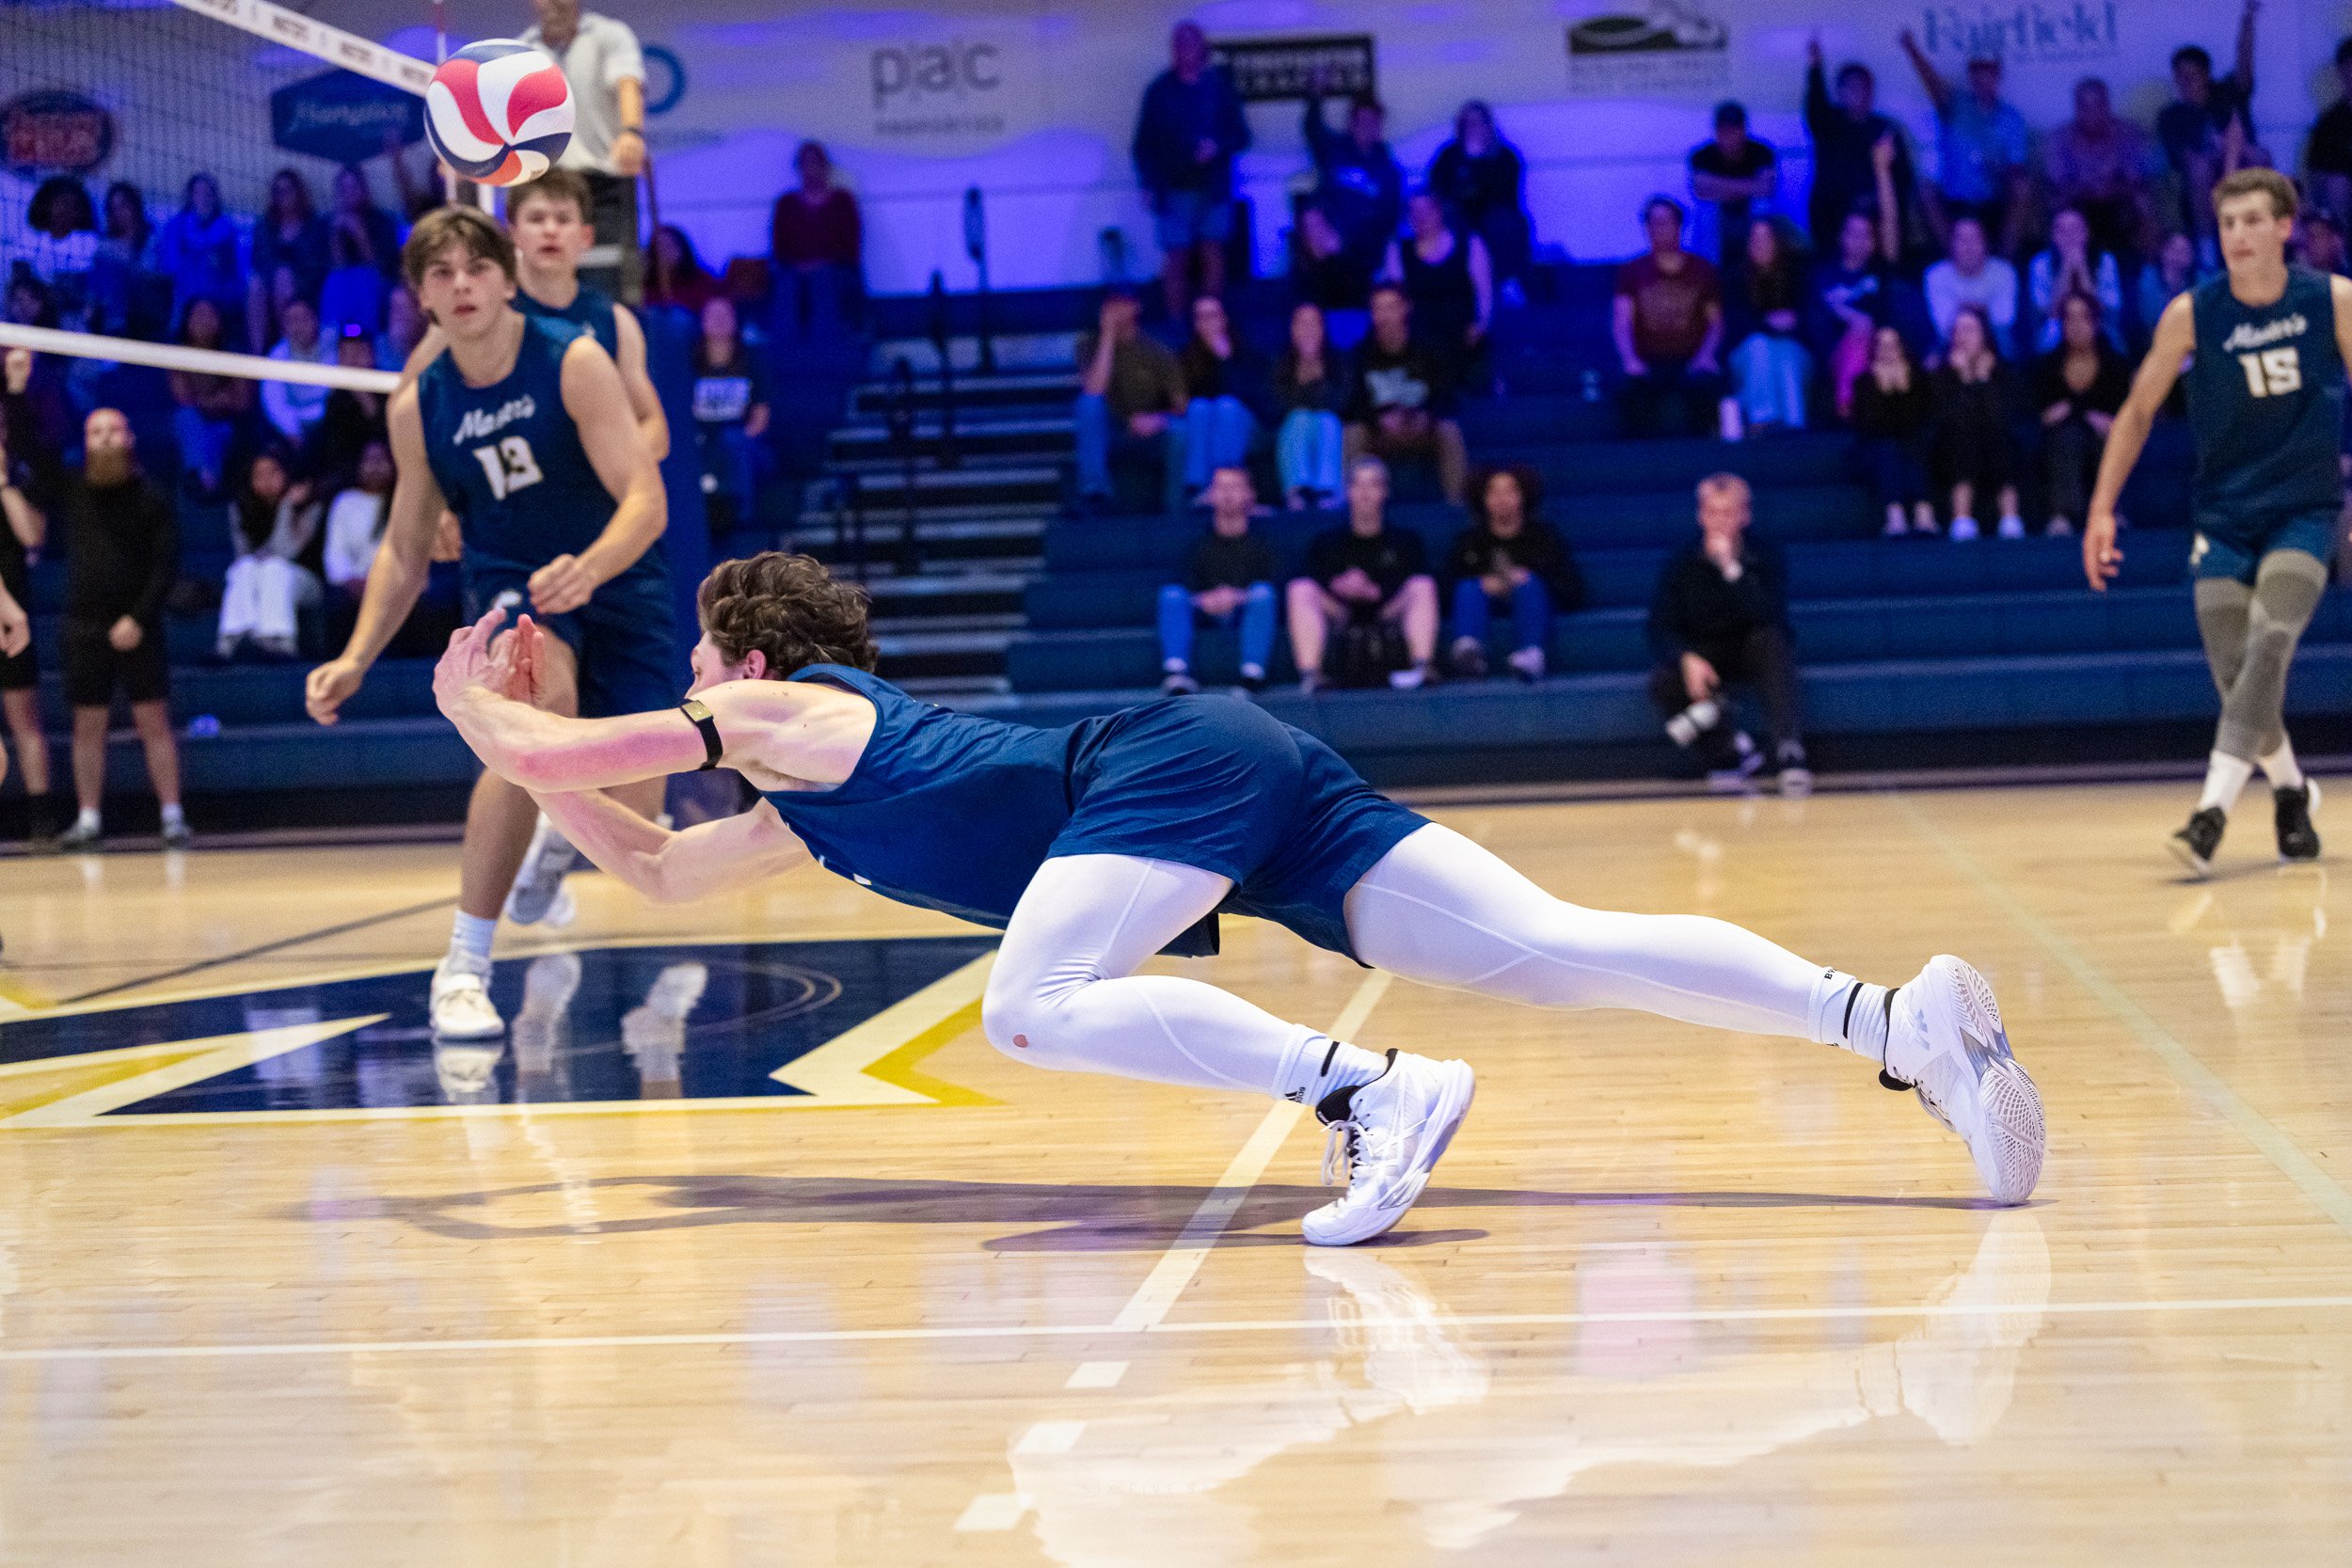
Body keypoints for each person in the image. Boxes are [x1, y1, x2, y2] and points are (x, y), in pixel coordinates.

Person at [431, 547, 2047, 1245]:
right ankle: (1896, 1021)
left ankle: (1368, 1090)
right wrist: (524, 753)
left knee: (1028, 1008)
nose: (697, 679)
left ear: (750, 659)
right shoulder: (815, 797)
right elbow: (652, 864)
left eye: (704, 659)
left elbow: (562, 741)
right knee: (1553, 949)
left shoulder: (794, 711)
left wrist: (480, 709)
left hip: (1165, 774)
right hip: (1226, 782)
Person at [305, 205, 669, 1037]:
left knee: (638, 803)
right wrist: (357, 656)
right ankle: (464, 965)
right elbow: (404, 549)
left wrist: (591, 567)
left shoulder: (574, 359)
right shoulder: (419, 406)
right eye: (441, 274)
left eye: (477, 268)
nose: (462, 285)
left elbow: (647, 500)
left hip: (617, 576)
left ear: (507, 280)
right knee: (532, 711)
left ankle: (558, 831)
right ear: (422, 298)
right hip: (512, 580)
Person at [2084, 167, 2342, 875]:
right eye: (2227, 223)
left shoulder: (2333, 301)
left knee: (2271, 640)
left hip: (2304, 512)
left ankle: (2209, 816)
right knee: (2236, 671)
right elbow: (2137, 411)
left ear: (2285, 226)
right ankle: (2291, 792)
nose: (2238, 235)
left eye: (2252, 220)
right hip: (2224, 518)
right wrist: (2101, 509)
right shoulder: (2192, 313)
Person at [408, 171, 668, 468]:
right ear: (513, 233)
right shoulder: (479, 307)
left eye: (563, 219)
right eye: (536, 219)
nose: (550, 230)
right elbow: (410, 403)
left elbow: (655, 428)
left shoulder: (614, 320)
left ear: (586, 236)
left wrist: (594, 469)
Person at [28, 404, 188, 850]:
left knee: (153, 720)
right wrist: (19, 393)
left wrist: (138, 618)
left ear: (129, 437)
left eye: (112, 430)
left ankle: (173, 817)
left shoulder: (151, 496)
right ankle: (88, 819)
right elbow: (37, 458)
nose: (103, 438)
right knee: (87, 724)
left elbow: (166, 564)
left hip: (139, 626)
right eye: (95, 432)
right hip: (84, 627)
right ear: (84, 441)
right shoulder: (74, 488)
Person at [1647, 473, 1808, 793]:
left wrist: (1731, 570)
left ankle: (1789, 749)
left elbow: (1769, 614)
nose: (1719, 521)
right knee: (1664, 681)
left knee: (1772, 641)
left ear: (1745, 516)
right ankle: (1730, 752)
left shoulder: (1765, 555)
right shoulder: (1682, 562)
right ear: (1700, 516)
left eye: (1728, 513)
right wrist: (1686, 657)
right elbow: (1659, 626)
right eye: (1712, 512)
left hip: (1751, 648)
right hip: (1705, 654)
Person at [520, 0, 648, 297]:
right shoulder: (521, 51)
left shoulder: (609, 34)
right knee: (542, 286)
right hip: (543, 185)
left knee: (608, 288)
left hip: (602, 186)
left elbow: (628, 83)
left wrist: (631, 133)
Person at [1132, 20, 1251, 322]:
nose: (1182, 50)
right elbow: (1143, 144)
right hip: (1173, 187)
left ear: (1201, 48)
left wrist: (1217, 146)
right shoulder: (1159, 91)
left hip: (1214, 187)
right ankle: (1176, 324)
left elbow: (1242, 135)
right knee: (1176, 256)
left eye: (1188, 44)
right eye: (1177, 45)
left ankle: (1212, 323)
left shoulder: (1220, 88)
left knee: (1213, 253)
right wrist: (1147, 183)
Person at [1286, 455, 1438, 690]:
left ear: (1385, 492)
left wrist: (1374, 590)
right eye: (1358, 485)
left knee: (1422, 585)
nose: (1365, 493)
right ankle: (1311, 675)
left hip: (1388, 610)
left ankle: (1422, 666)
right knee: (1300, 589)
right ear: (1348, 492)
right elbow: (1316, 576)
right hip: (1340, 612)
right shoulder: (1327, 542)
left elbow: (1411, 576)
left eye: (1373, 485)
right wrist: (1338, 585)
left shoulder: (1406, 541)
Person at [1443, 465, 1581, 681]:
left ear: (1523, 496)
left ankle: (1530, 654)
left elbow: (1572, 590)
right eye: (1494, 492)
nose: (1502, 499)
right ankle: (1469, 652)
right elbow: (1444, 590)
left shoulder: (1544, 538)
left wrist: (1525, 579)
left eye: (1510, 491)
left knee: (1530, 584)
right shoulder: (1468, 541)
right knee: (1468, 587)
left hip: (1533, 600)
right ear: (1483, 498)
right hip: (1483, 601)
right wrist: (1485, 583)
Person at [1898, 32, 2030, 254]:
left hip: (1993, 201)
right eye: (1977, 72)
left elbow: (2017, 168)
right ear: (1970, 76)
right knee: (1926, 190)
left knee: (2022, 189)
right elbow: (1932, 84)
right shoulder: (1956, 105)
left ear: (1997, 75)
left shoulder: (2012, 119)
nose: (1983, 78)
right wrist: (1912, 49)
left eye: (1988, 72)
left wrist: (1999, 170)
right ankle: (1954, 261)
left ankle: (2005, 264)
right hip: (1955, 201)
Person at [1159, 464, 1279, 694]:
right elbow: (1184, 583)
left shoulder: (1265, 545)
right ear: (1210, 495)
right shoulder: (1196, 545)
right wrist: (1206, 599)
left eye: (1235, 487)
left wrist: (1236, 597)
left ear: (1250, 494)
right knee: (1171, 596)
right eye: (1221, 487)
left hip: (1245, 611)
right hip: (1205, 612)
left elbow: (1275, 583)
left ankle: (1252, 673)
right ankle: (1177, 673)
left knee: (1263, 595)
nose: (1227, 494)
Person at [2157, 2, 2264, 261]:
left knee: (2259, 155)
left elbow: (2244, 65)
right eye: (2180, 76)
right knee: (2199, 167)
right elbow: (2184, 160)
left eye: (2192, 75)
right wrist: (2221, 151)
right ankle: (2207, 251)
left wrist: (2248, 20)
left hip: (2241, 169)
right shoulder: (2171, 116)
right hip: (2203, 189)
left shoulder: (2228, 94)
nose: (2185, 82)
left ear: (2206, 74)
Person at [1345, 285, 1470, 505]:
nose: (1385, 315)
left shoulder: (1429, 350)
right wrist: (1377, 420)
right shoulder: (1361, 355)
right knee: (1353, 433)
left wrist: (1426, 417)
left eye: (1391, 307)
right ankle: (1357, 506)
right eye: (1378, 309)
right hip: (1380, 432)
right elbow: (1353, 402)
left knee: (1449, 430)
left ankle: (1457, 505)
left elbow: (1447, 396)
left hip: (1423, 428)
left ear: (1405, 309)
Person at [1613, 197, 1724, 439]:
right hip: (1648, 360)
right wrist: (1630, 359)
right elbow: (1622, 321)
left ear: (1679, 225)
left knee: (1706, 386)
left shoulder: (1703, 270)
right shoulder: (1631, 271)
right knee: (1629, 389)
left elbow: (1715, 323)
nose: (1660, 229)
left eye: (1666, 222)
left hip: (1691, 359)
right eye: (1654, 223)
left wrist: (1705, 356)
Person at [1073, 287, 1187, 514]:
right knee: (1087, 405)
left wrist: (1157, 419)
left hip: (1152, 428)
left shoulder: (1157, 349)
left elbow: (1181, 404)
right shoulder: (1088, 345)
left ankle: (1176, 508)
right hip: (1112, 428)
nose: (1114, 311)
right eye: (1109, 304)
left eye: (1121, 304)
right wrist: (1108, 336)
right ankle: (1094, 492)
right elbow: (1094, 390)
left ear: (1136, 307)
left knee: (1179, 432)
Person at [0, 355, 52, 843]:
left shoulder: (20, 474)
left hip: (8, 612)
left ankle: (41, 819)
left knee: (21, 724)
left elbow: (33, 535)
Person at [1804, 37, 1917, 258]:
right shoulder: (1827, 123)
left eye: (1864, 87)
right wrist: (1815, 65)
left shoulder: (1886, 129)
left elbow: (1904, 178)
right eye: (1852, 86)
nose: (1858, 92)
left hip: (1876, 212)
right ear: (1840, 92)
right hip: (1833, 212)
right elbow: (1814, 104)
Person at [2033, 292, 2131, 539]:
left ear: (2095, 322)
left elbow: (2128, 412)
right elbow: (2039, 412)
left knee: (2111, 439)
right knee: (2066, 438)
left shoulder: (2115, 365)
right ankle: (2062, 515)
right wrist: (2050, 416)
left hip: (2105, 436)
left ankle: (2109, 512)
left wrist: (2114, 423)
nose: (2076, 326)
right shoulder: (2047, 366)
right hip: (2061, 437)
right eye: (2070, 319)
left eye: (2083, 318)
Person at [215, 447, 323, 660]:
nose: (266, 480)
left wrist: (286, 507)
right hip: (258, 576)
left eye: (273, 473)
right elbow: (243, 555)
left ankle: (281, 642)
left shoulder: (309, 506)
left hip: (306, 581)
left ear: (286, 473)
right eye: (259, 475)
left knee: (275, 567)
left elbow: (287, 552)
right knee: (244, 567)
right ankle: (227, 644)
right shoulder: (241, 508)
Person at [1383, 190, 1492, 391]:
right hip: (1419, 334)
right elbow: (1395, 296)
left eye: (1427, 210)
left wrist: (1480, 324)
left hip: (1462, 332)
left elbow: (1484, 292)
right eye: (1414, 212)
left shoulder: (1470, 243)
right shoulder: (1398, 249)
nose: (1421, 217)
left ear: (1439, 211)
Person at [1931, 305, 2024, 539]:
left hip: (1996, 443)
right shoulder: (1941, 375)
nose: (1963, 337)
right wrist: (1963, 379)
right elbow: (1950, 421)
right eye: (1958, 331)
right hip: (1950, 449)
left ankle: (2010, 517)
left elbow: (2001, 419)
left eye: (1970, 330)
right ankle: (1961, 517)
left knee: (1999, 438)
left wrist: (1983, 381)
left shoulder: (2003, 371)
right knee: (1965, 437)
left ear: (1984, 335)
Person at [1804, 202, 1906, 417]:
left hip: (1881, 349)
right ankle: (1849, 410)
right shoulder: (1822, 277)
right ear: (1841, 236)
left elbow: (1887, 320)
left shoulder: (1882, 276)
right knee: (1856, 343)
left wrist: (1846, 312)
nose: (1859, 241)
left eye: (1865, 235)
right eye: (1853, 234)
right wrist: (1850, 319)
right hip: (1832, 353)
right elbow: (1815, 326)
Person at [2044, 77, 2157, 262]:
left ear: (2107, 106)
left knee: (2143, 201)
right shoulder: (2060, 138)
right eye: (2085, 106)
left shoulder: (2128, 133)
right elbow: (2059, 183)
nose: (2091, 112)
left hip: (2119, 204)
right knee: (2058, 204)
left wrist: (2107, 188)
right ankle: (2064, 267)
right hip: (2079, 205)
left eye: (2097, 105)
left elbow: (2136, 179)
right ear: (2077, 108)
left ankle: (2150, 269)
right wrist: (2091, 188)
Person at [1302, 77, 1406, 271]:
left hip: (1364, 255)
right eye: (1361, 120)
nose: (1367, 127)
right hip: (1325, 246)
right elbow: (1312, 128)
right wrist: (1316, 93)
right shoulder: (1334, 151)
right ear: (1351, 123)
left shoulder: (1389, 171)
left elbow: (1389, 221)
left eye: (1372, 122)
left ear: (1379, 128)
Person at [1425, 101, 1531, 291]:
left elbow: (1504, 196)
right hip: (1458, 215)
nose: (1474, 128)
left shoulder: (1506, 157)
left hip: (1494, 215)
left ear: (1488, 125)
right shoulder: (1448, 156)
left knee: (1506, 224)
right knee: (1447, 222)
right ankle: (1451, 285)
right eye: (1468, 123)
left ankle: (1508, 283)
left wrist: (1478, 164)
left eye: (1479, 122)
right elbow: (1438, 191)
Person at [688, 295, 771, 537]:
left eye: (725, 315)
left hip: (744, 444)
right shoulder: (688, 364)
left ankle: (740, 520)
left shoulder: (752, 361)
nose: (720, 321)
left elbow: (760, 419)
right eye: (713, 316)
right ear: (702, 322)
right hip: (700, 443)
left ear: (735, 321)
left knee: (732, 442)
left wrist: (738, 439)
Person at [768, 140, 864, 341]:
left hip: (835, 271)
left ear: (826, 167)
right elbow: (779, 249)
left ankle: (826, 345)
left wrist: (820, 265)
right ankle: (786, 347)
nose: (811, 170)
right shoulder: (786, 204)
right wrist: (801, 266)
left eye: (816, 164)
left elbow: (850, 249)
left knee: (822, 281)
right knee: (786, 284)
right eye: (806, 164)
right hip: (795, 271)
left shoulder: (843, 202)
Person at [1724, 216, 1810, 435]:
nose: (1760, 245)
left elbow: (1811, 319)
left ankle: (1794, 425)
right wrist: (1767, 323)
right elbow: (1735, 324)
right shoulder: (1735, 277)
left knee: (1785, 352)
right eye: (1755, 239)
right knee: (1759, 346)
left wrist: (1794, 321)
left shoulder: (1797, 275)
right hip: (1746, 356)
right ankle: (1763, 422)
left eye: (1766, 239)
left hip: (1794, 352)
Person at [1851, 325, 1937, 536]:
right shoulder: (1863, 383)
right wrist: (1883, 390)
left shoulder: (1920, 380)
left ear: (1903, 348)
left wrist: (1903, 390)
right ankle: (1895, 515)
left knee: (1913, 445)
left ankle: (1923, 511)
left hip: (1915, 445)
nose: (1888, 351)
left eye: (1893, 345)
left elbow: (1918, 424)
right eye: (1882, 345)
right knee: (1888, 448)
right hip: (1875, 450)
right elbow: (1871, 429)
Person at [1176, 294, 1266, 494]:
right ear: (1195, 324)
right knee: (1199, 407)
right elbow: (1184, 400)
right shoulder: (1185, 359)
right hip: (1205, 421)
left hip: (1246, 421)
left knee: (1226, 406)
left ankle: (1222, 484)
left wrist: (1225, 362)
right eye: (1201, 317)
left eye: (1213, 315)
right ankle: (1198, 486)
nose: (1208, 322)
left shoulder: (1245, 354)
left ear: (1224, 319)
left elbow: (1253, 397)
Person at [166, 299, 253, 501]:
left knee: (216, 432)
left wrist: (209, 402)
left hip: (229, 424)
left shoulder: (234, 354)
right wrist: (217, 399)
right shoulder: (177, 356)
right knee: (187, 419)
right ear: (187, 321)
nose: (204, 321)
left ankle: (206, 480)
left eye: (210, 315)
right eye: (198, 315)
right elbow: (185, 400)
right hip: (196, 423)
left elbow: (242, 402)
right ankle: (205, 478)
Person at [1268, 301, 1353, 508]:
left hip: (1329, 429)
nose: (1308, 330)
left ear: (1323, 329)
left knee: (1326, 420)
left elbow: (1340, 403)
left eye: (1313, 323)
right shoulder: (1279, 363)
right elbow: (1276, 406)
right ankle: (1299, 492)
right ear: (1292, 329)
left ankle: (1327, 492)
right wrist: (1307, 381)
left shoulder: (1339, 363)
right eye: (1301, 323)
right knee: (1299, 418)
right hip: (1289, 430)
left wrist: (1315, 381)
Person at [1687, 101, 1778, 276]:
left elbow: (1766, 189)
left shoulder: (1761, 152)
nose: (1730, 136)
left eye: (1735, 130)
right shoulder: (1702, 155)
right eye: (1725, 130)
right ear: (1717, 131)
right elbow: (1700, 190)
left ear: (1744, 129)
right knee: (1706, 212)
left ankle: (1763, 273)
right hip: (1720, 218)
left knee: (1762, 206)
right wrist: (1748, 186)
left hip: (1749, 216)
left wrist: (1718, 187)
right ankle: (1710, 275)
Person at [247, 168, 327, 355]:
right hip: (269, 287)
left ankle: (286, 345)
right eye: (278, 191)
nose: (283, 195)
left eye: (288, 190)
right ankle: (256, 353)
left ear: (298, 193)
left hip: (307, 288)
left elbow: (318, 266)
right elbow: (258, 262)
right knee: (255, 285)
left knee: (283, 276)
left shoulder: (315, 226)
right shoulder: (264, 227)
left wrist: (287, 272)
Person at [2026, 206, 2125, 353]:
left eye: (2075, 229)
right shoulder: (2040, 263)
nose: (2069, 236)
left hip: (2099, 326)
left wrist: (2082, 268)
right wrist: (2066, 268)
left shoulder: (2105, 261)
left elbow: (2107, 312)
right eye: (2062, 231)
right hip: (2057, 328)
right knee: (2050, 332)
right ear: (2053, 235)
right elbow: (2049, 313)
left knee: (2111, 336)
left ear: (2086, 232)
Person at [153, 172, 242, 332]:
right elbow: (169, 265)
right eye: (198, 193)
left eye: (208, 193)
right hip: (181, 289)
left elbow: (234, 270)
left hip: (219, 291)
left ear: (215, 197)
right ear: (190, 196)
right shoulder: (175, 226)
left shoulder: (227, 229)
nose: (203, 198)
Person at [1923, 215, 2019, 355]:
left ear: (1986, 243)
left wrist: (1963, 308)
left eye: (1975, 239)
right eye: (1961, 240)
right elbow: (1943, 325)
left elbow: (2003, 320)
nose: (1968, 246)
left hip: (1995, 340)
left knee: (2006, 342)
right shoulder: (1935, 275)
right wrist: (1983, 310)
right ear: (1951, 244)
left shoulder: (2004, 272)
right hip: (1951, 342)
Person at [322, 437, 395, 610]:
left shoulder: (402, 503)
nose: (375, 467)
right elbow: (336, 550)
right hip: (351, 584)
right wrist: (351, 581)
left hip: (394, 584)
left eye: (381, 460)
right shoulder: (345, 502)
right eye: (370, 460)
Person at [1291, 203, 1375, 346]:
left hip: (1354, 319)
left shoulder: (1349, 258)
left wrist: (1336, 255)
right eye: (1309, 225)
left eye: (1318, 223)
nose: (1315, 230)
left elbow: (1359, 293)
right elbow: (1311, 301)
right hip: (1319, 325)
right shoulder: (1301, 267)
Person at [88, 181, 159, 338]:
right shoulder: (105, 243)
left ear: (134, 207)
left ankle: (114, 322)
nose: (118, 212)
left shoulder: (151, 238)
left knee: (113, 269)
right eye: (113, 208)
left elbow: (150, 272)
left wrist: (125, 260)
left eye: (123, 206)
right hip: (106, 299)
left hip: (141, 297)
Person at [24, 177, 99, 325]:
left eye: (72, 205)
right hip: (38, 307)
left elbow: (86, 284)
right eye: (61, 203)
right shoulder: (31, 238)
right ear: (47, 206)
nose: (65, 210)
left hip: (75, 310)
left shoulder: (90, 241)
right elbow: (20, 276)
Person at [261, 297, 335, 444]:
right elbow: (275, 403)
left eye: (303, 318)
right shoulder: (276, 355)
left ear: (316, 319)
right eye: (292, 321)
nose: (299, 326)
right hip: (297, 428)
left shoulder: (334, 342)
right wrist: (293, 432)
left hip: (333, 420)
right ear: (283, 329)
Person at [2305, 38, 2352, 227]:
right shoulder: (2329, 123)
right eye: (2348, 68)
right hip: (2342, 202)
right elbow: (2315, 173)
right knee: (2337, 187)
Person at [2137, 230, 2204, 347]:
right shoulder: (2149, 279)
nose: (2178, 257)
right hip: (2158, 343)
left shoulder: (2200, 281)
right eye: (2174, 250)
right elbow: (2149, 322)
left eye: (2184, 251)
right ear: (2164, 251)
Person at [644, 224, 722, 315]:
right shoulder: (647, 286)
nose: (666, 252)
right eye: (660, 248)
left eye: (670, 245)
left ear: (682, 247)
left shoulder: (702, 281)